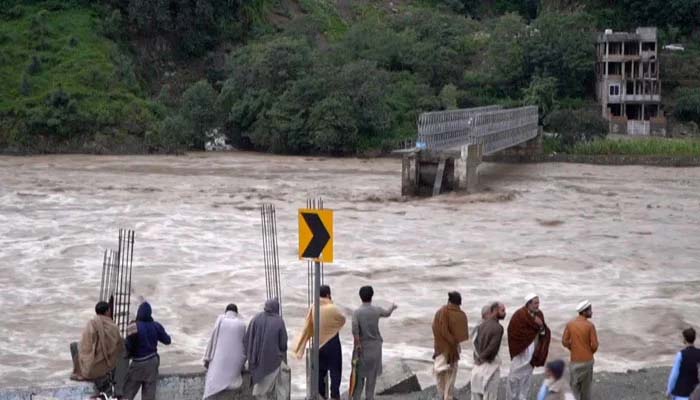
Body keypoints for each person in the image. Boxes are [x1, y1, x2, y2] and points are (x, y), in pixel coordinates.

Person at [293, 285, 346, 400]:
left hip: (319, 344)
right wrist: (333, 328)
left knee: (320, 372)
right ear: (328, 295)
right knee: (335, 372)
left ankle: (321, 395)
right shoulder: (333, 308)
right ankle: (335, 396)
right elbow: (343, 320)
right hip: (332, 343)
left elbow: (308, 325)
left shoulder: (313, 307)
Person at [352, 285, 397, 400]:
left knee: (359, 379)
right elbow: (387, 313)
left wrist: (358, 346)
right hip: (375, 348)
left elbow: (355, 331)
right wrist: (392, 307)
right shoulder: (376, 310)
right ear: (372, 296)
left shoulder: (356, 313)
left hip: (362, 349)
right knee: (371, 380)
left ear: (360, 297)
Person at [70, 301, 124, 395]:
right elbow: (118, 347)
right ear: (107, 312)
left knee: (75, 346)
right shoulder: (113, 327)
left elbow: (84, 346)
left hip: (88, 369)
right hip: (104, 368)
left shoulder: (90, 324)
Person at [123, 301, 172, 400]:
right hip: (152, 363)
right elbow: (167, 341)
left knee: (127, 394)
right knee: (149, 396)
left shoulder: (133, 326)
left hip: (138, 364)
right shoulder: (156, 326)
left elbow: (128, 346)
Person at [507, 293, 551, 400]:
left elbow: (543, 333)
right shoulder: (519, 315)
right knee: (513, 376)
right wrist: (520, 344)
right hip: (520, 351)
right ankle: (511, 397)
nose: (537, 305)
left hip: (533, 351)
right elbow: (512, 331)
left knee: (527, 377)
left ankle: (523, 397)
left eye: (538, 303)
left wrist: (541, 326)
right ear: (528, 304)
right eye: (535, 303)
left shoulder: (539, 314)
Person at [244, 298, 288, 399]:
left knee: (260, 391)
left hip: (256, 362)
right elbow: (283, 345)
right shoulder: (279, 321)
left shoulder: (255, 318)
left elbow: (247, 339)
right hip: (274, 362)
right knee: (279, 387)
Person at [202, 304, 247, 400]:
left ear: (226, 312)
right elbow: (244, 345)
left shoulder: (220, 321)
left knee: (212, 384)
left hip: (219, 361)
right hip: (235, 365)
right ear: (236, 313)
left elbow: (212, 340)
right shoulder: (242, 324)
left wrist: (207, 359)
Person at [432, 291, 469, 400]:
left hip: (440, 348)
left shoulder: (439, 312)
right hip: (454, 349)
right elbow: (462, 335)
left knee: (439, 372)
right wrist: (453, 342)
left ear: (448, 301)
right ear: (459, 303)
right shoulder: (460, 314)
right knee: (451, 374)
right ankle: (448, 396)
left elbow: (435, 329)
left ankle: (443, 395)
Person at [562, 300, 598, 400]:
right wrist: (589, 351)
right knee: (586, 389)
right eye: (590, 310)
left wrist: (572, 348)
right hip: (587, 360)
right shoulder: (590, 326)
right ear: (584, 312)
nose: (592, 312)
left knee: (574, 386)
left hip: (574, 360)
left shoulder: (570, 324)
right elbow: (595, 345)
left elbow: (564, 341)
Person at [471, 302, 506, 400]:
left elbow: (475, 343)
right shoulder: (498, 328)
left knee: (476, 397)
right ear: (493, 311)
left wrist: (478, 359)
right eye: (502, 311)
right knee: (490, 397)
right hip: (490, 367)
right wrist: (483, 358)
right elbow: (492, 348)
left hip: (477, 367)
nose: (505, 313)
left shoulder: (480, 326)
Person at [666, 327, 700, 400]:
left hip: (681, 393)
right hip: (696, 394)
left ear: (684, 339)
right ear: (694, 338)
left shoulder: (681, 354)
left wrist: (669, 390)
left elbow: (674, 375)